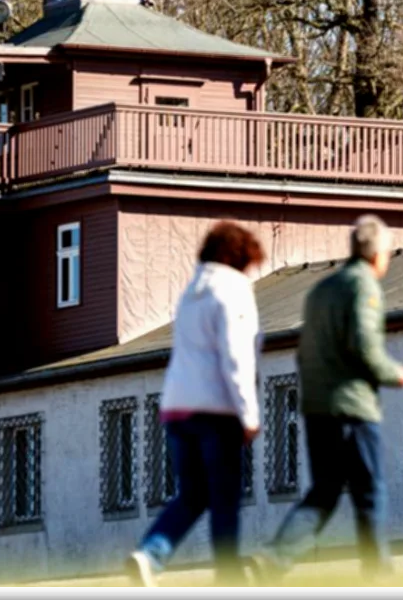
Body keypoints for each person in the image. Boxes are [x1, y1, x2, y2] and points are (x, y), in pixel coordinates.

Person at [248, 214, 403, 585]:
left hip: (316, 409)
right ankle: (378, 574)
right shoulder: (364, 286)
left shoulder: (321, 289)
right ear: (377, 254)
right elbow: (365, 347)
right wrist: (395, 373)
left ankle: (272, 560)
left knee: (323, 492)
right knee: (370, 492)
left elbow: (303, 352)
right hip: (352, 408)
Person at [125, 221, 266, 588]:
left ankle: (150, 554)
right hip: (214, 410)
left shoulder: (191, 291)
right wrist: (249, 413)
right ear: (238, 256)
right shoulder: (233, 290)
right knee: (224, 496)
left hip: (176, 407)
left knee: (192, 493)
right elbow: (237, 357)